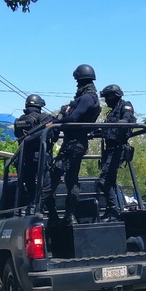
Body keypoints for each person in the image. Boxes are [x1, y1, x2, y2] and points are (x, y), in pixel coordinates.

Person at [42, 64, 101, 224]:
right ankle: (70, 215)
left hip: (74, 143)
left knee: (55, 175)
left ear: (80, 80)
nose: (76, 84)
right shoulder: (90, 97)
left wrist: (57, 122)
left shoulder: (87, 98)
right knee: (71, 179)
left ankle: (38, 207)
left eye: (77, 81)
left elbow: (74, 117)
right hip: (76, 142)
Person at [96, 84, 136, 221]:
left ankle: (114, 209)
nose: (106, 100)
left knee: (103, 181)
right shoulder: (111, 112)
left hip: (118, 149)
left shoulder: (125, 105)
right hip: (109, 149)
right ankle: (110, 209)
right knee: (110, 181)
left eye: (107, 97)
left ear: (114, 95)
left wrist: (123, 121)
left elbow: (128, 116)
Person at [15, 93, 51, 203]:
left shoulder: (18, 120)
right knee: (47, 185)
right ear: (39, 106)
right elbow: (52, 135)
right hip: (40, 157)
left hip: (23, 158)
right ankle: (47, 209)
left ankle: (33, 203)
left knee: (30, 185)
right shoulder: (43, 118)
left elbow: (17, 135)